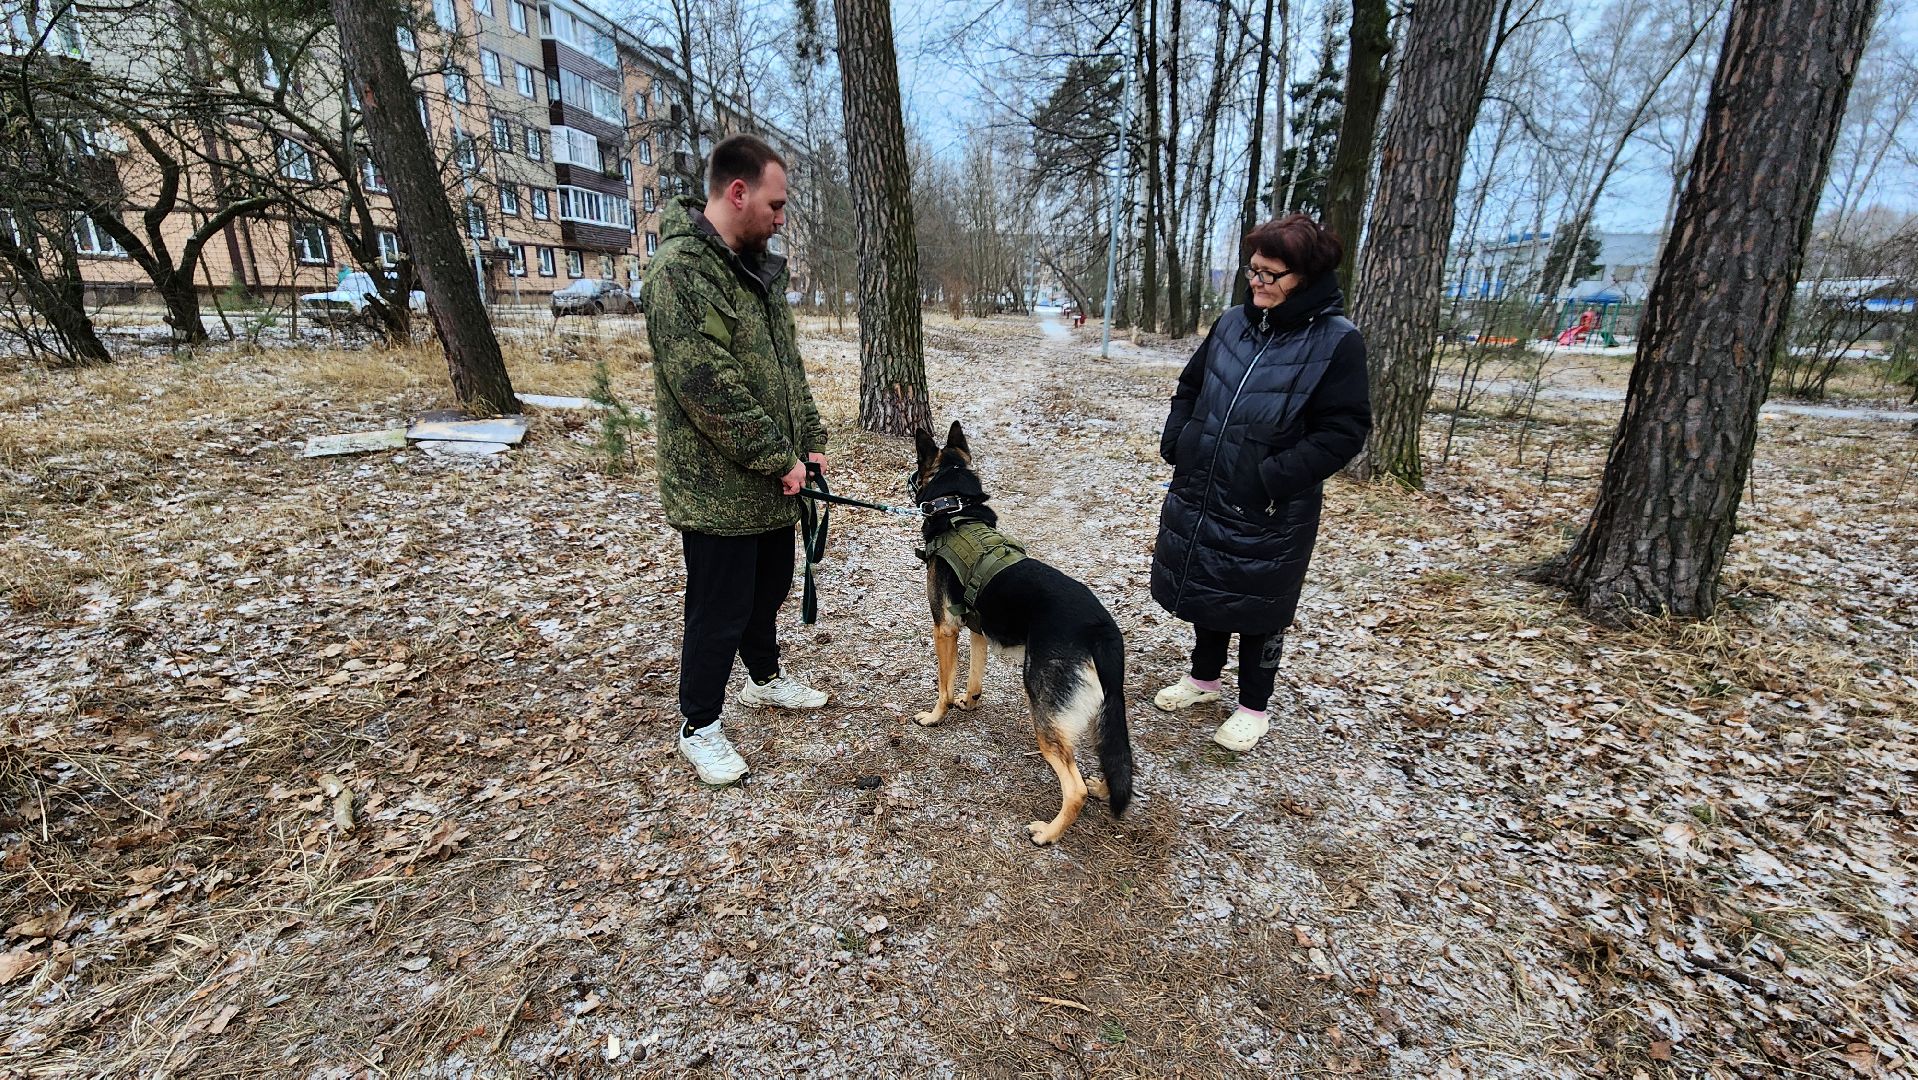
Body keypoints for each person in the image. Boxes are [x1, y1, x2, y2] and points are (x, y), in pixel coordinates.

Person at [642, 134, 830, 785]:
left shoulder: (759, 270)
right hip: (716, 492)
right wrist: (779, 458)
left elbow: (788, 367)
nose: (781, 219)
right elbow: (708, 389)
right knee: (718, 612)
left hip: (772, 484)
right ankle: (700, 725)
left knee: (767, 593)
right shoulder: (679, 275)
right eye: (776, 206)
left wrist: (808, 438)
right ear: (738, 192)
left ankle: (765, 679)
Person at [1149, 214, 1371, 753]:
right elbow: (1191, 385)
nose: (1259, 283)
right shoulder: (1232, 324)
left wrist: (1269, 477)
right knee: (1209, 581)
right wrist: (1180, 439)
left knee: (1258, 601)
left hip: (1270, 503)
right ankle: (1203, 680)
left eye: (1273, 275)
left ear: (1307, 278)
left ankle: (1254, 706)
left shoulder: (1337, 342)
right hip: (1205, 483)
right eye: (1254, 271)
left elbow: (1343, 431)